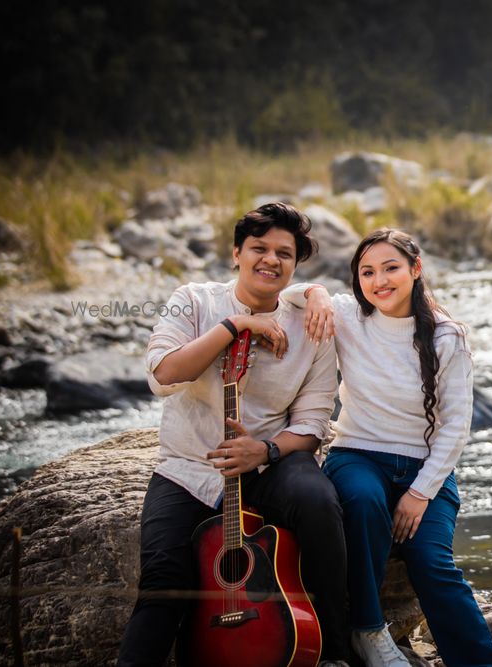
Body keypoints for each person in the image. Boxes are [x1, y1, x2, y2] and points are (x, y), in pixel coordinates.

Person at [117, 203, 350, 666]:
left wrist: (262, 449)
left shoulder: (312, 325)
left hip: (268, 463)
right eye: (258, 249)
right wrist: (234, 325)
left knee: (319, 502)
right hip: (188, 467)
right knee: (164, 575)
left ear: (296, 265)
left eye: (284, 253)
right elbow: (163, 375)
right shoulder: (194, 300)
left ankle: (336, 650)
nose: (270, 260)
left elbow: (312, 424)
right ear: (236, 254)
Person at [283, 229, 492, 667]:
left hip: (426, 469)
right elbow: (289, 295)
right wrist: (317, 293)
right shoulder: (348, 316)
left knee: (432, 563)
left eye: (390, 268)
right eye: (367, 272)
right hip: (358, 455)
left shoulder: (447, 336)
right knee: (363, 504)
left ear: (415, 270)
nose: (379, 281)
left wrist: (420, 493)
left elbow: (456, 426)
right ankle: (368, 629)